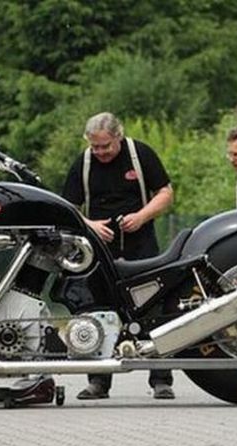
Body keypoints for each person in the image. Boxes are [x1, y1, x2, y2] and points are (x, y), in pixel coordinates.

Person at [62, 112, 175, 400]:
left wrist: (141, 216)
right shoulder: (83, 163)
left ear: (118, 137)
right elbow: (68, 208)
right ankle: (98, 382)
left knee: (152, 309)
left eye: (105, 146)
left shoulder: (140, 155)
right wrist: (90, 226)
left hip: (141, 246)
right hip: (101, 250)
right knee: (99, 309)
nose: (100, 152)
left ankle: (161, 380)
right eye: (95, 146)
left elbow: (165, 193)